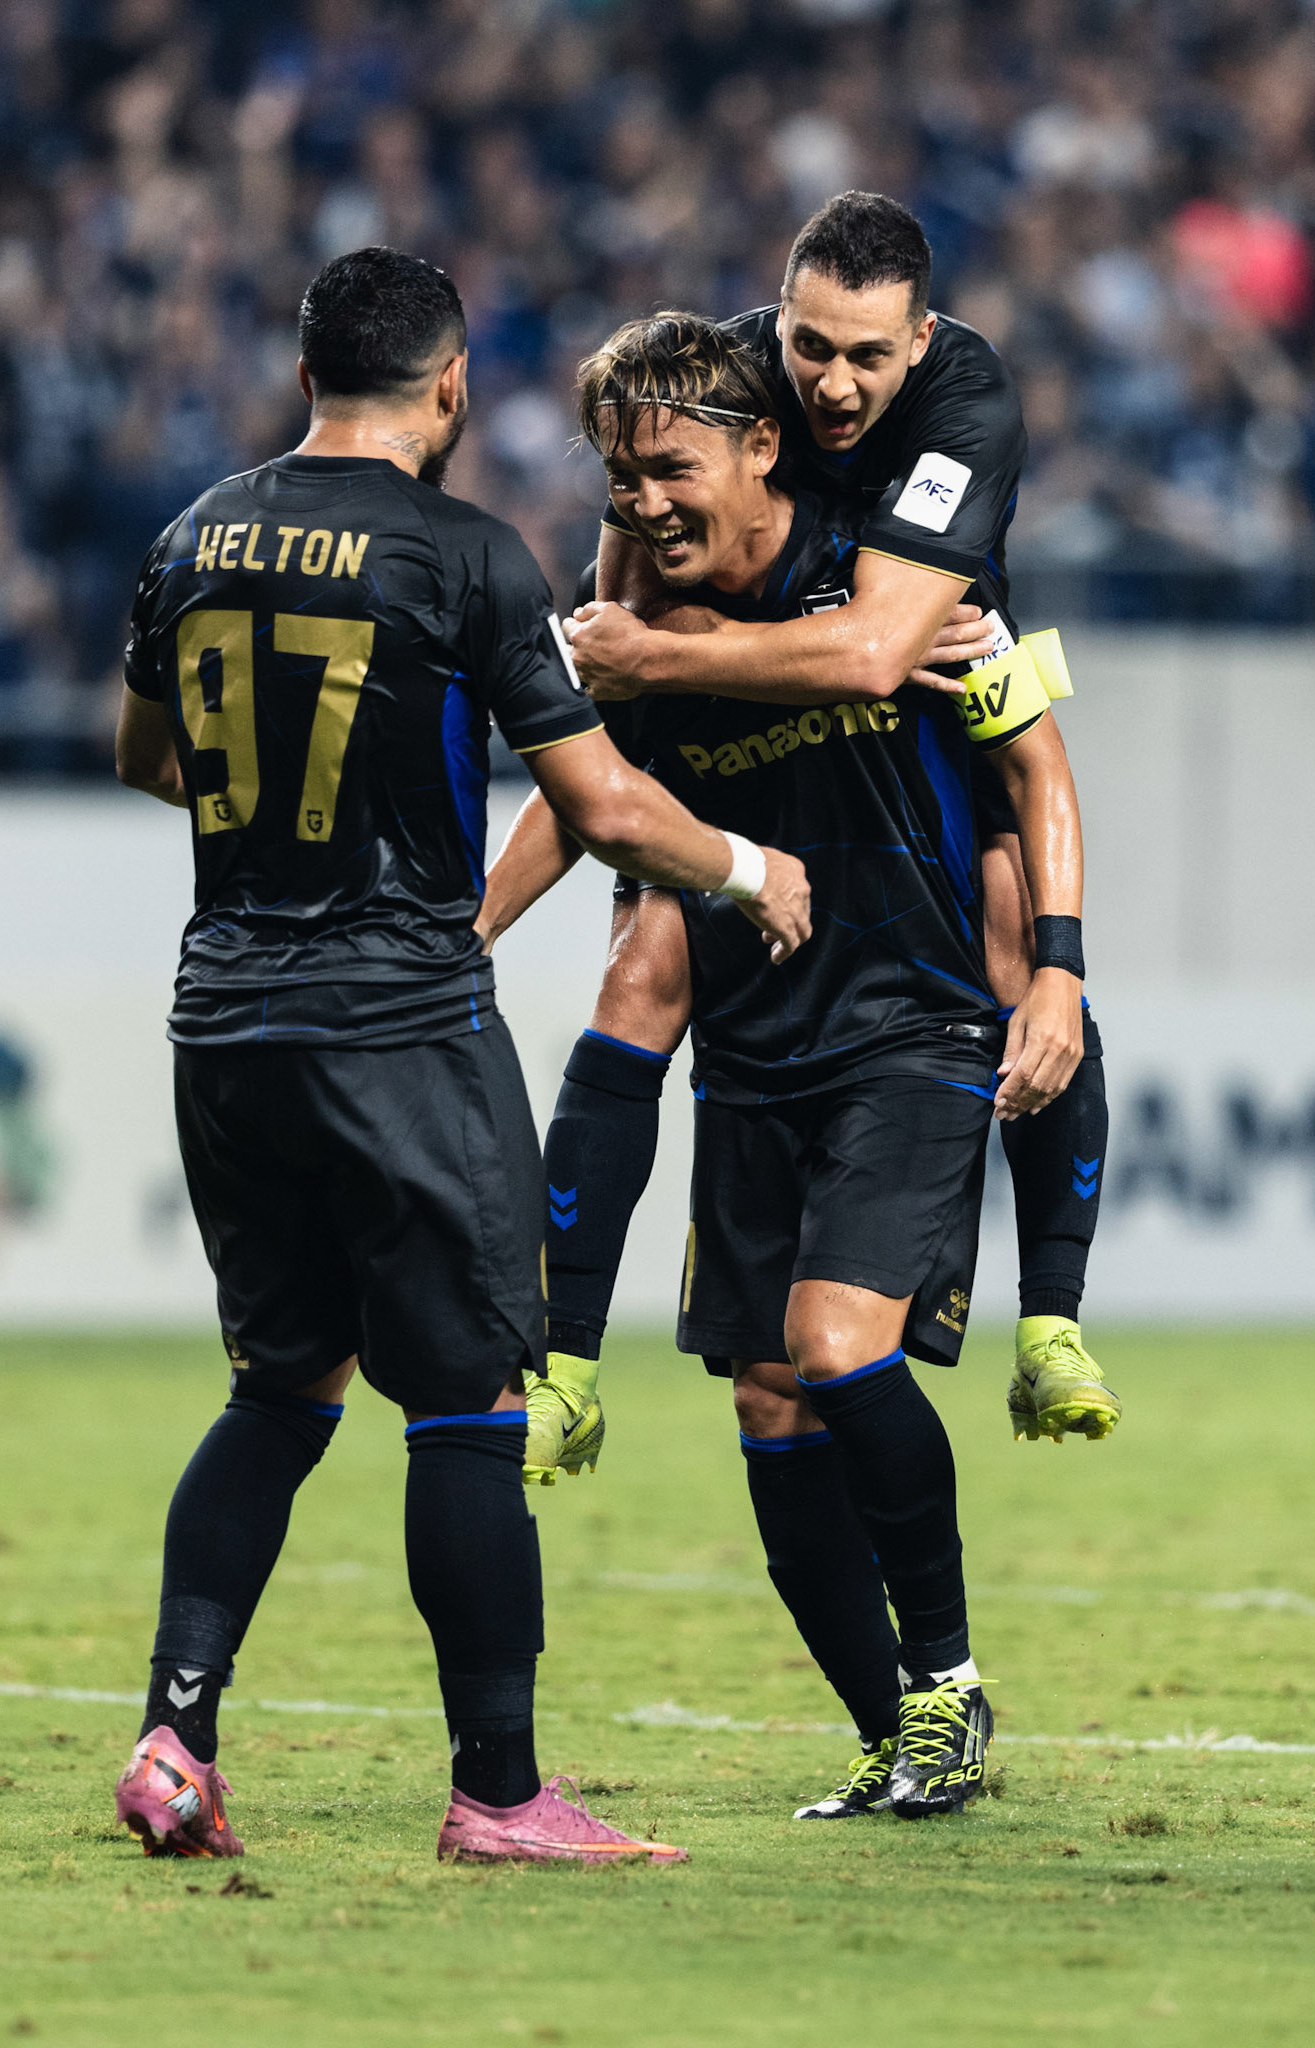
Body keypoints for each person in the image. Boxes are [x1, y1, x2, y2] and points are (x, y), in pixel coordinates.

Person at [109, 248, 809, 1867]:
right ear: (448, 386)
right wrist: (755, 873)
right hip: (401, 1024)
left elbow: (149, 757)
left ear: (304, 379)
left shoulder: (187, 537)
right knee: (470, 1405)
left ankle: (173, 1735)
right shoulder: (467, 556)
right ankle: (498, 1794)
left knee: (281, 1388)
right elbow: (609, 804)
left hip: (225, 1018)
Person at [484, 313, 1082, 1821]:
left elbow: (1032, 743)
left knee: (831, 1343)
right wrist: (465, 928)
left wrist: (1061, 965)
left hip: (914, 1027)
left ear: (760, 449)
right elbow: (593, 793)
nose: (643, 506)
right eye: (620, 480)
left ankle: (946, 1678)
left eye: (669, 469)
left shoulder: (905, 585)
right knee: (765, 1402)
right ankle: (895, 1731)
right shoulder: (639, 611)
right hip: (752, 1060)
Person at [503, 193, 1115, 1482]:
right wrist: (619, 690)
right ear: (778, 326)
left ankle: (1052, 1323)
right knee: (639, 969)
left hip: (923, 647)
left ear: (921, 339)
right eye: (811, 348)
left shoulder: (967, 406)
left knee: (1021, 936)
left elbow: (885, 649)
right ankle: (564, 1366)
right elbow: (618, 626)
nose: (836, 385)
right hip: (763, 730)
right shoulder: (712, 397)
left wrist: (669, 654)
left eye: (868, 357)